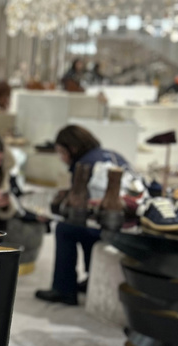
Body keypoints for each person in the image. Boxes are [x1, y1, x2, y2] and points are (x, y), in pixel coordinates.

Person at [35, 125, 131, 306]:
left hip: (107, 223)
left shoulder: (84, 165)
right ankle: (90, 278)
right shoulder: (113, 155)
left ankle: (63, 288)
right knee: (83, 226)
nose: (61, 158)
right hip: (126, 220)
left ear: (72, 148)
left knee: (66, 228)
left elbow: (78, 203)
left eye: (61, 152)